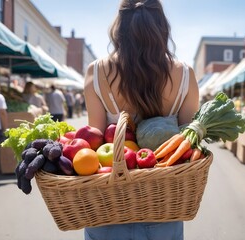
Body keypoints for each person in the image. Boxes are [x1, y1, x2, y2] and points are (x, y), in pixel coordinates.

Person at [83, 0, 199, 239]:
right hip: (163, 206)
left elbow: (93, 142)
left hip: (107, 207)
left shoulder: (96, 72)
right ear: (161, 26)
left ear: (119, 26)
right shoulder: (185, 74)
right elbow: (190, 143)